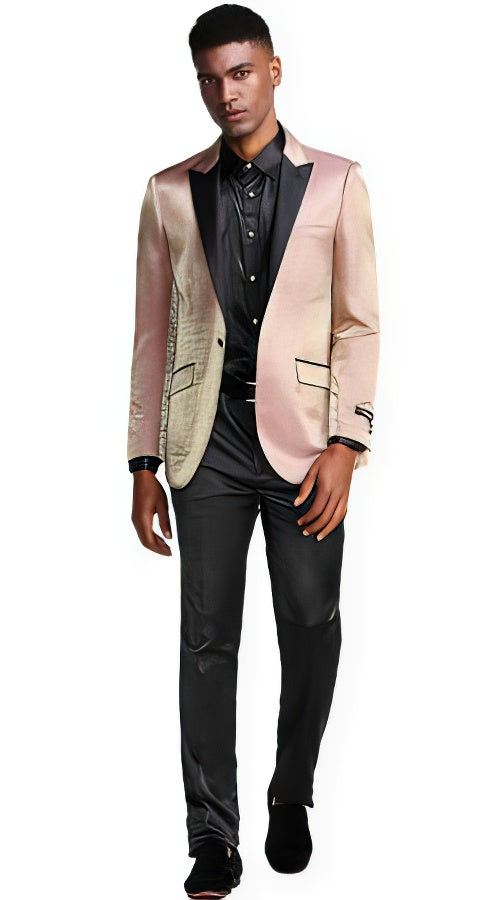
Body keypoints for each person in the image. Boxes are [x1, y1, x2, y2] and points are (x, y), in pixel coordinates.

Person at [127, 4, 380, 896]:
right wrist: (143, 462)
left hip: (307, 446)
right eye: (210, 78)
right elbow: (152, 334)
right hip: (207, 445)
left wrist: (348, 440)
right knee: (206, 638)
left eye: (240, 72)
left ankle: (291, 791)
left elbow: (357, 323)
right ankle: (211, 836)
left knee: (311, 622)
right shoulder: (168, 191)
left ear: (274, 70)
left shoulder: (338, 182)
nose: (226, 93)